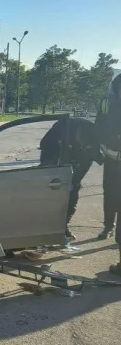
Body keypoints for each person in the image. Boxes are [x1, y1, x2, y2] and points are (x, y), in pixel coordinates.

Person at [39, 117, 102, 241]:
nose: (83, 147)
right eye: (81, 144)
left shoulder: (93, 140)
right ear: (77, 134)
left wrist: (75, 181)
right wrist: (50, 168)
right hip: (55, 161)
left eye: (85, 147)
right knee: (50, 195)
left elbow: (86, 164)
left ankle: (63, 227)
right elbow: (44, 146)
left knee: (72, 196)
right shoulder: (62, 128)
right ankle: (43, 228)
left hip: (75, 165)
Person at [95, 73, 121, 276]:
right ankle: (108, 226)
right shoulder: (106, 103)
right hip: (112, 162)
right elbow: (99, 127)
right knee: (110, 197)